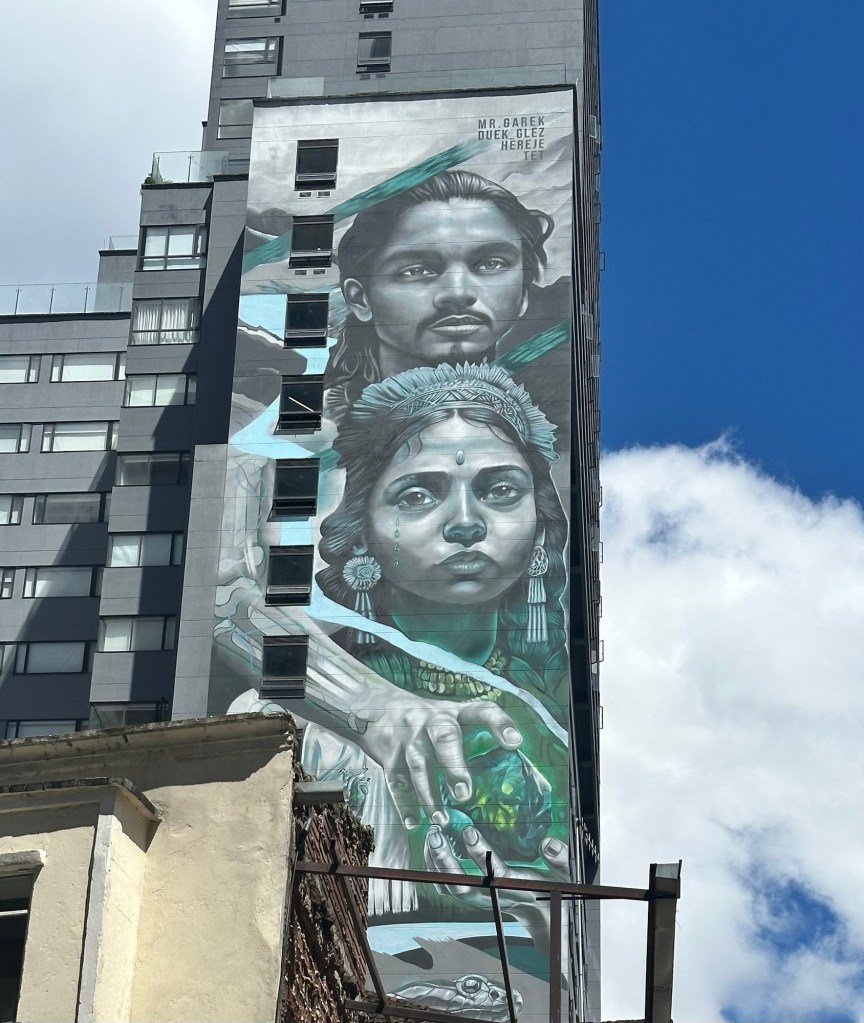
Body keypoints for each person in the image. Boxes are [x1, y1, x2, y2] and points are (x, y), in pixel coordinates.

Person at [301, 361, 571, 921]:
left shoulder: (553, 715)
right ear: (361, 532)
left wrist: (534, 908)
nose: (466, 523)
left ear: (541, 525)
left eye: (501, 490)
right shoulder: (309, 710)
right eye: (419, 495)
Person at [325, 170, 571, 425]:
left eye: (491, 264)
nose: (458, 293)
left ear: (523, 293)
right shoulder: (324, 425)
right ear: (360, 298)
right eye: (416, 270)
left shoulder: (551, 418)